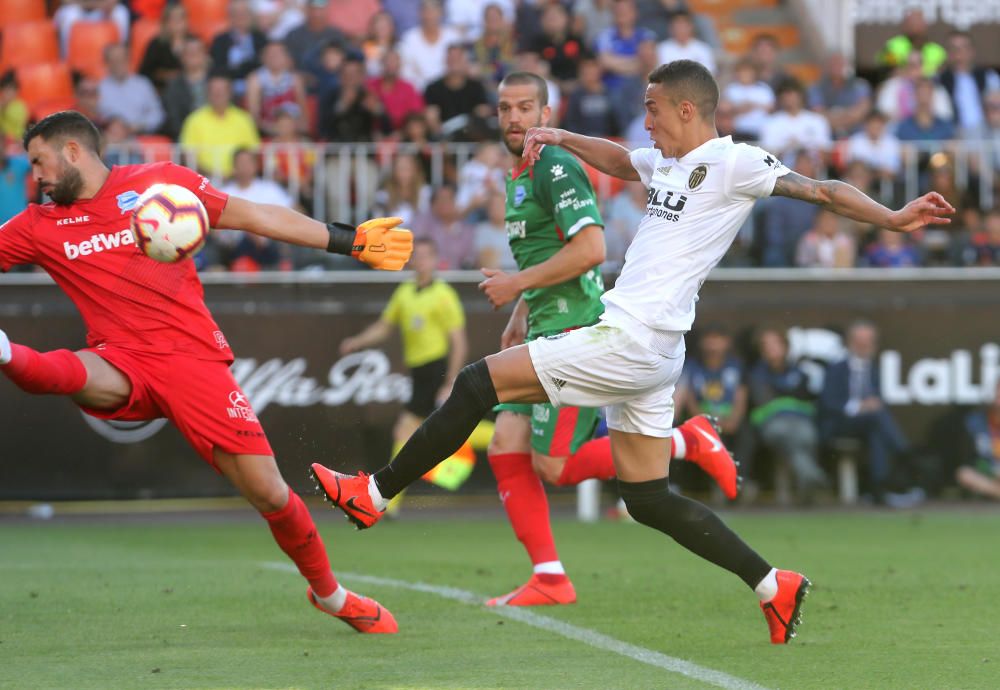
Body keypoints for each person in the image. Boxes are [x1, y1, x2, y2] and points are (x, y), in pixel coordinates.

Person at [312, 59, 953, 642]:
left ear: (686, 109)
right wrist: (562, 137)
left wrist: (893, 216)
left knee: (480, 383)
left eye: (652, 107)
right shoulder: (664, 161)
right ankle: (772, 584)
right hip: (654, 349)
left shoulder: (734, 163)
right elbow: (620, 160)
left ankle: (374, 492)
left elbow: (820, 189)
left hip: (632, 336)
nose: (644, 119)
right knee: (647, 500)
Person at [0, 110, 413, 633]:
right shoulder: (38, 225)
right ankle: (4, 351)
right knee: (72, 374)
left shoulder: (159, 185)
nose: (35, 176)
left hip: (191, 360)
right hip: (119, 358)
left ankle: (331, 596)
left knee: (270, 493)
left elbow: (256, 216)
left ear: (73, 152)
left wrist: (347, 241)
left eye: (39, 162)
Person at [480, 71, 738, 606]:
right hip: (544, 320)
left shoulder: (554, 165)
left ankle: (687, 442)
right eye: (506, 109)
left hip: (576, 327)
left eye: (526, 108)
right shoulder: (521, 172)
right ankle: (549, 575)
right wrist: (521, 311)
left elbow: (590, 250)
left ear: (546, 115)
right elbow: (546, 251)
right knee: (506, 443)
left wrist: (516, 286)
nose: (515, 119)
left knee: (554, 466)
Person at [339, 238, 472, 513]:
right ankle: (389, 500)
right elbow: (384, 327)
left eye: (426, 256)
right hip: (419, 373)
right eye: (417, 256)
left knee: (407, 429)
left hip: (437, 369)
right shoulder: (405, 293)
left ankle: (388, 502)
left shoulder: (444, 295)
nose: (421, 261)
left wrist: (449, 382)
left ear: (435, 260)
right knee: (448, 429)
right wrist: (358, 341)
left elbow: (459, 342)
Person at [819, 321, 923, 506]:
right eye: (860, 341)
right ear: (850, 342)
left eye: (868, 341)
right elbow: (828, 403)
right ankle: (905, 454)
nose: (865, 346)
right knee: (877, 417)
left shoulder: (873, 369)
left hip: (868, 424)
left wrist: (870, 407)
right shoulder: (836, 369)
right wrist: (858, 407)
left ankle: (878, 488)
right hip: (839, 424)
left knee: (877, 430)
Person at [748, 327, 827, 500]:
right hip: (772, 424)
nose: (771, 349)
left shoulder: (798, 372)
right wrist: (788, 402)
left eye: (775, 344)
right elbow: (764, 403)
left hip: (800, 422)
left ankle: (808, 482)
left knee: (806, 437)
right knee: (784, 434)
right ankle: (811, 476)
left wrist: (782, 402)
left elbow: (806, 401)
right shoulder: (757, 374)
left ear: (785, 346)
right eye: (766, 345)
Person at [179, 74, 261, 178]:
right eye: (214, 91)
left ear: (230, 93)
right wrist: (209, 176)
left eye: (222, 90)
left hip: (239, 180)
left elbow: (253, 152)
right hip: (205, 181)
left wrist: (235, 174)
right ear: (207, 93)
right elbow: (188, 156)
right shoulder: (194, 120)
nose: (218, 94)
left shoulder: (244, 119)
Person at [97, 44, 165, 135]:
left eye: (122, 59)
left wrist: (139, 125)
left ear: (129, 60)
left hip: (140, 136)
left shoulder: (143, 84)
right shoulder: (99, 87)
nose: (118, 64)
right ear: (106, 63)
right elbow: (96, 117)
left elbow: (157, 114)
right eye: (114, 60)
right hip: (109, 139)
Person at [956, 381, 1000, 500]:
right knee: (964, 474)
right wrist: (992, 470)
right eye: (997, 392)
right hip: (989, 473)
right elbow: (974, 459)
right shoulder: (976, 422)